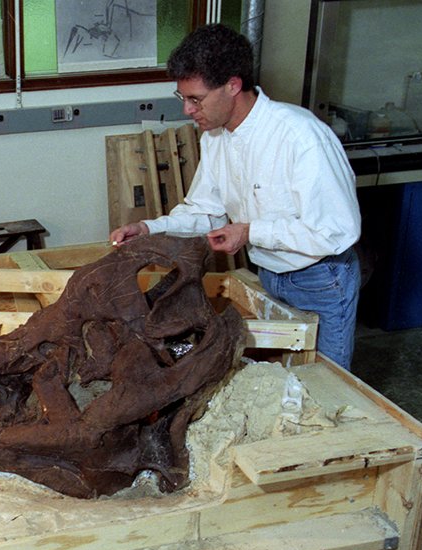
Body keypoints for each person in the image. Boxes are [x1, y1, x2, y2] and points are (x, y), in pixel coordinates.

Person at [110, 24, 362, 370]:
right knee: (277, 379)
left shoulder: (300, 136)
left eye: (196, 99)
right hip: (270, 272)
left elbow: (336, 230)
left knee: (325, 383)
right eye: (182, 98)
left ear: (233, 85)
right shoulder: (215, 137)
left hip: (320, 277)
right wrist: (149, 229)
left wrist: (249, 232)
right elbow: (206, 213)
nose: (187, 110)